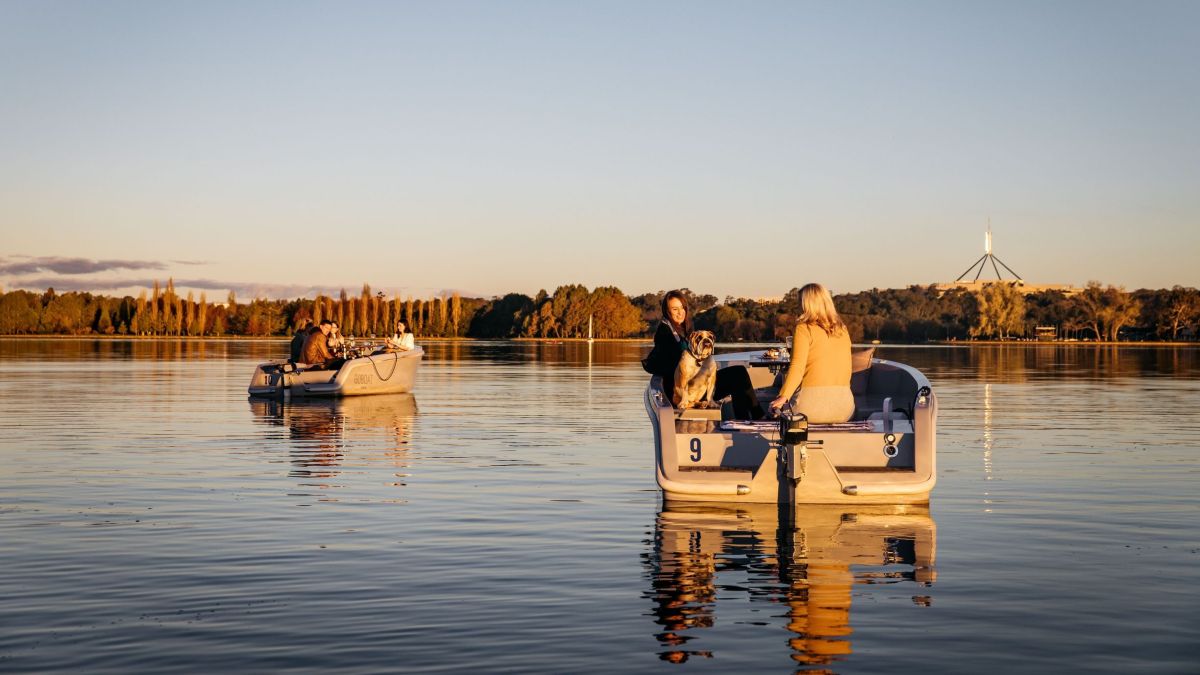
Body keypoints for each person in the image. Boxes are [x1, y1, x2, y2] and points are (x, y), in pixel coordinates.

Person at [642, 290, 764, 420]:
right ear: (667, 311)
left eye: (682, 308)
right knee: (737, 375)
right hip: (687, 389)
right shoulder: (664, 333)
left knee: (738, 374)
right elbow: (675, 365)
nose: (680, 312)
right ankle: (752, 417)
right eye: (675, 309)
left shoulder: (683, 329)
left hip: (697, 383)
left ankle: (745, 418)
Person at [769, 283, 854, 423]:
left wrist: (783, 397)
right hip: (845, 408)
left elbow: (797, 367)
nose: (799, 307)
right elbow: (847, 369)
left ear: (807, 305)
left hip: (810, 409)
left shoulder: (804, 328)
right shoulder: (843, 330)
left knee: (775, 412)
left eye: (800, 303)